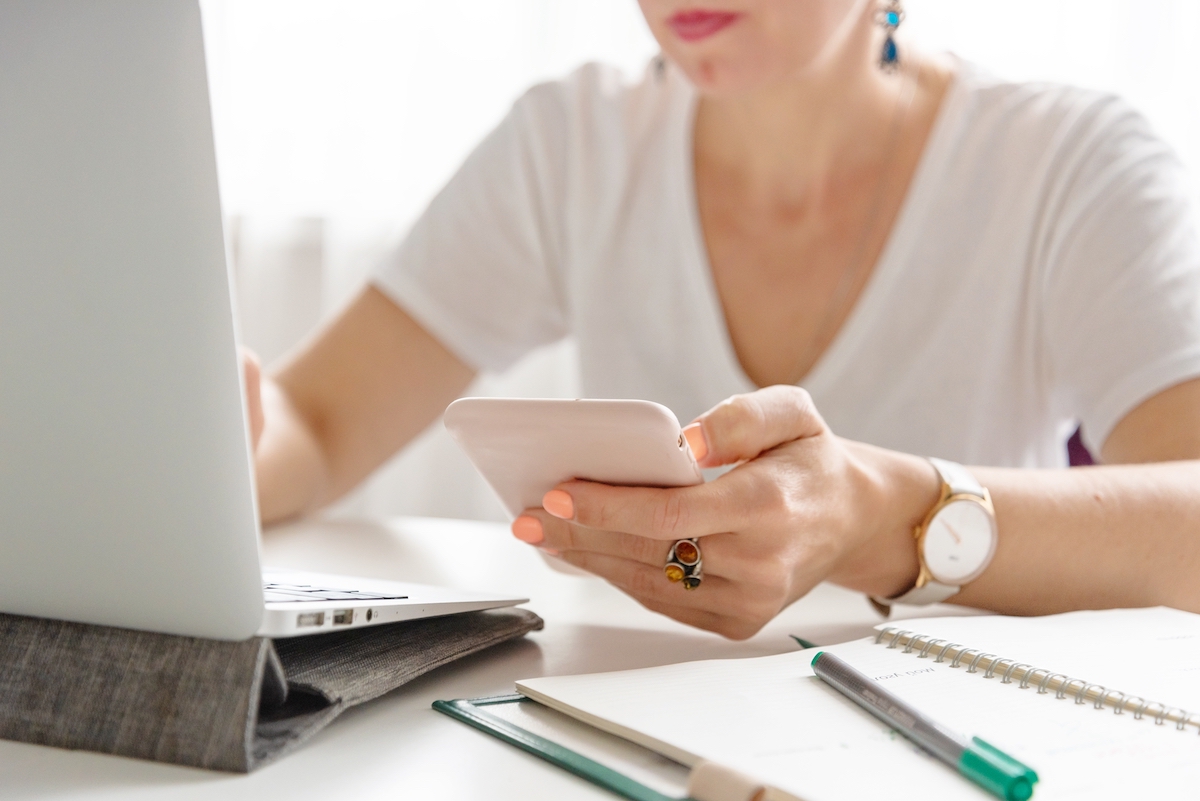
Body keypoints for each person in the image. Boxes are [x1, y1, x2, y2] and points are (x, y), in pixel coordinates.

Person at [247, 0, 1200, 639]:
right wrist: (225, 438)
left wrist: (886, 518)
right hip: (627, 725)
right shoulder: (572, 144)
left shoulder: (1070, 168)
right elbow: (317, 423)